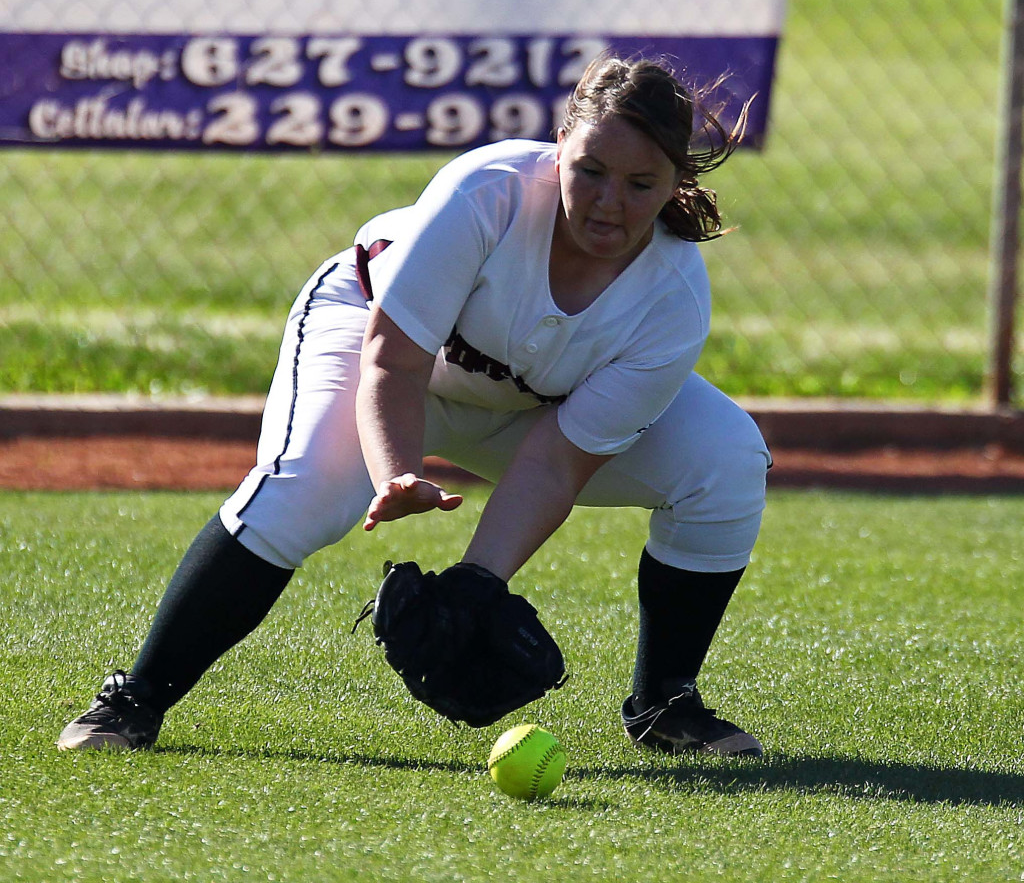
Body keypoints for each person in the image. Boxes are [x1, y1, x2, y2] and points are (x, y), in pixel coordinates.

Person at [58, 54, 772, 758]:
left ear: (679, 179)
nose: (608, 202)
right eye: (589, 171)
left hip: (529, 406)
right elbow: (392, 360)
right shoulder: (486, 193)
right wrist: (395, 471)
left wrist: (476, 585)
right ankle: (134, 698)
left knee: (726, 459)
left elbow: (557, 459)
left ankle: (664, 704)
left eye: (641, 182)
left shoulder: (673, 299)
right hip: (376, 338)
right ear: (560, 149)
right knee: (304, 490)